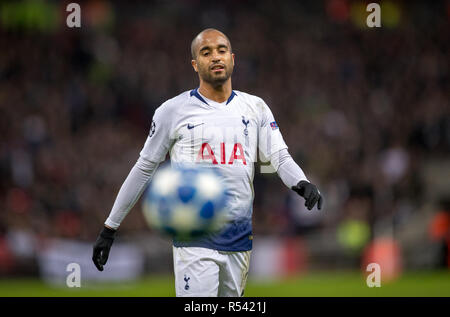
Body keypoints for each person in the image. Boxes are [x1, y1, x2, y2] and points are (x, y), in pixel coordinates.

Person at [92, 28, 323, 297]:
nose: (215, 57)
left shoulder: (255, 107)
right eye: (206, 52)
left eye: (221, 50)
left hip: (240, 234)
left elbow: (279, 156)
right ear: (195, 64)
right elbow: (144, 168)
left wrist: (301, 181)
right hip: (194, 233)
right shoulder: (172, 111)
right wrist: (110, 226)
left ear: (232, 59)